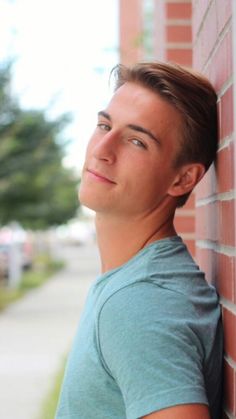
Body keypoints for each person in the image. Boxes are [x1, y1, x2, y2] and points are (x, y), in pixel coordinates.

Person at [56, 61, 223, 419]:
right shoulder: (134, 281)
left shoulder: (139, 306)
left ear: (181, 180)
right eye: (104, 125)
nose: (102, 148)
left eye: (136, 140)